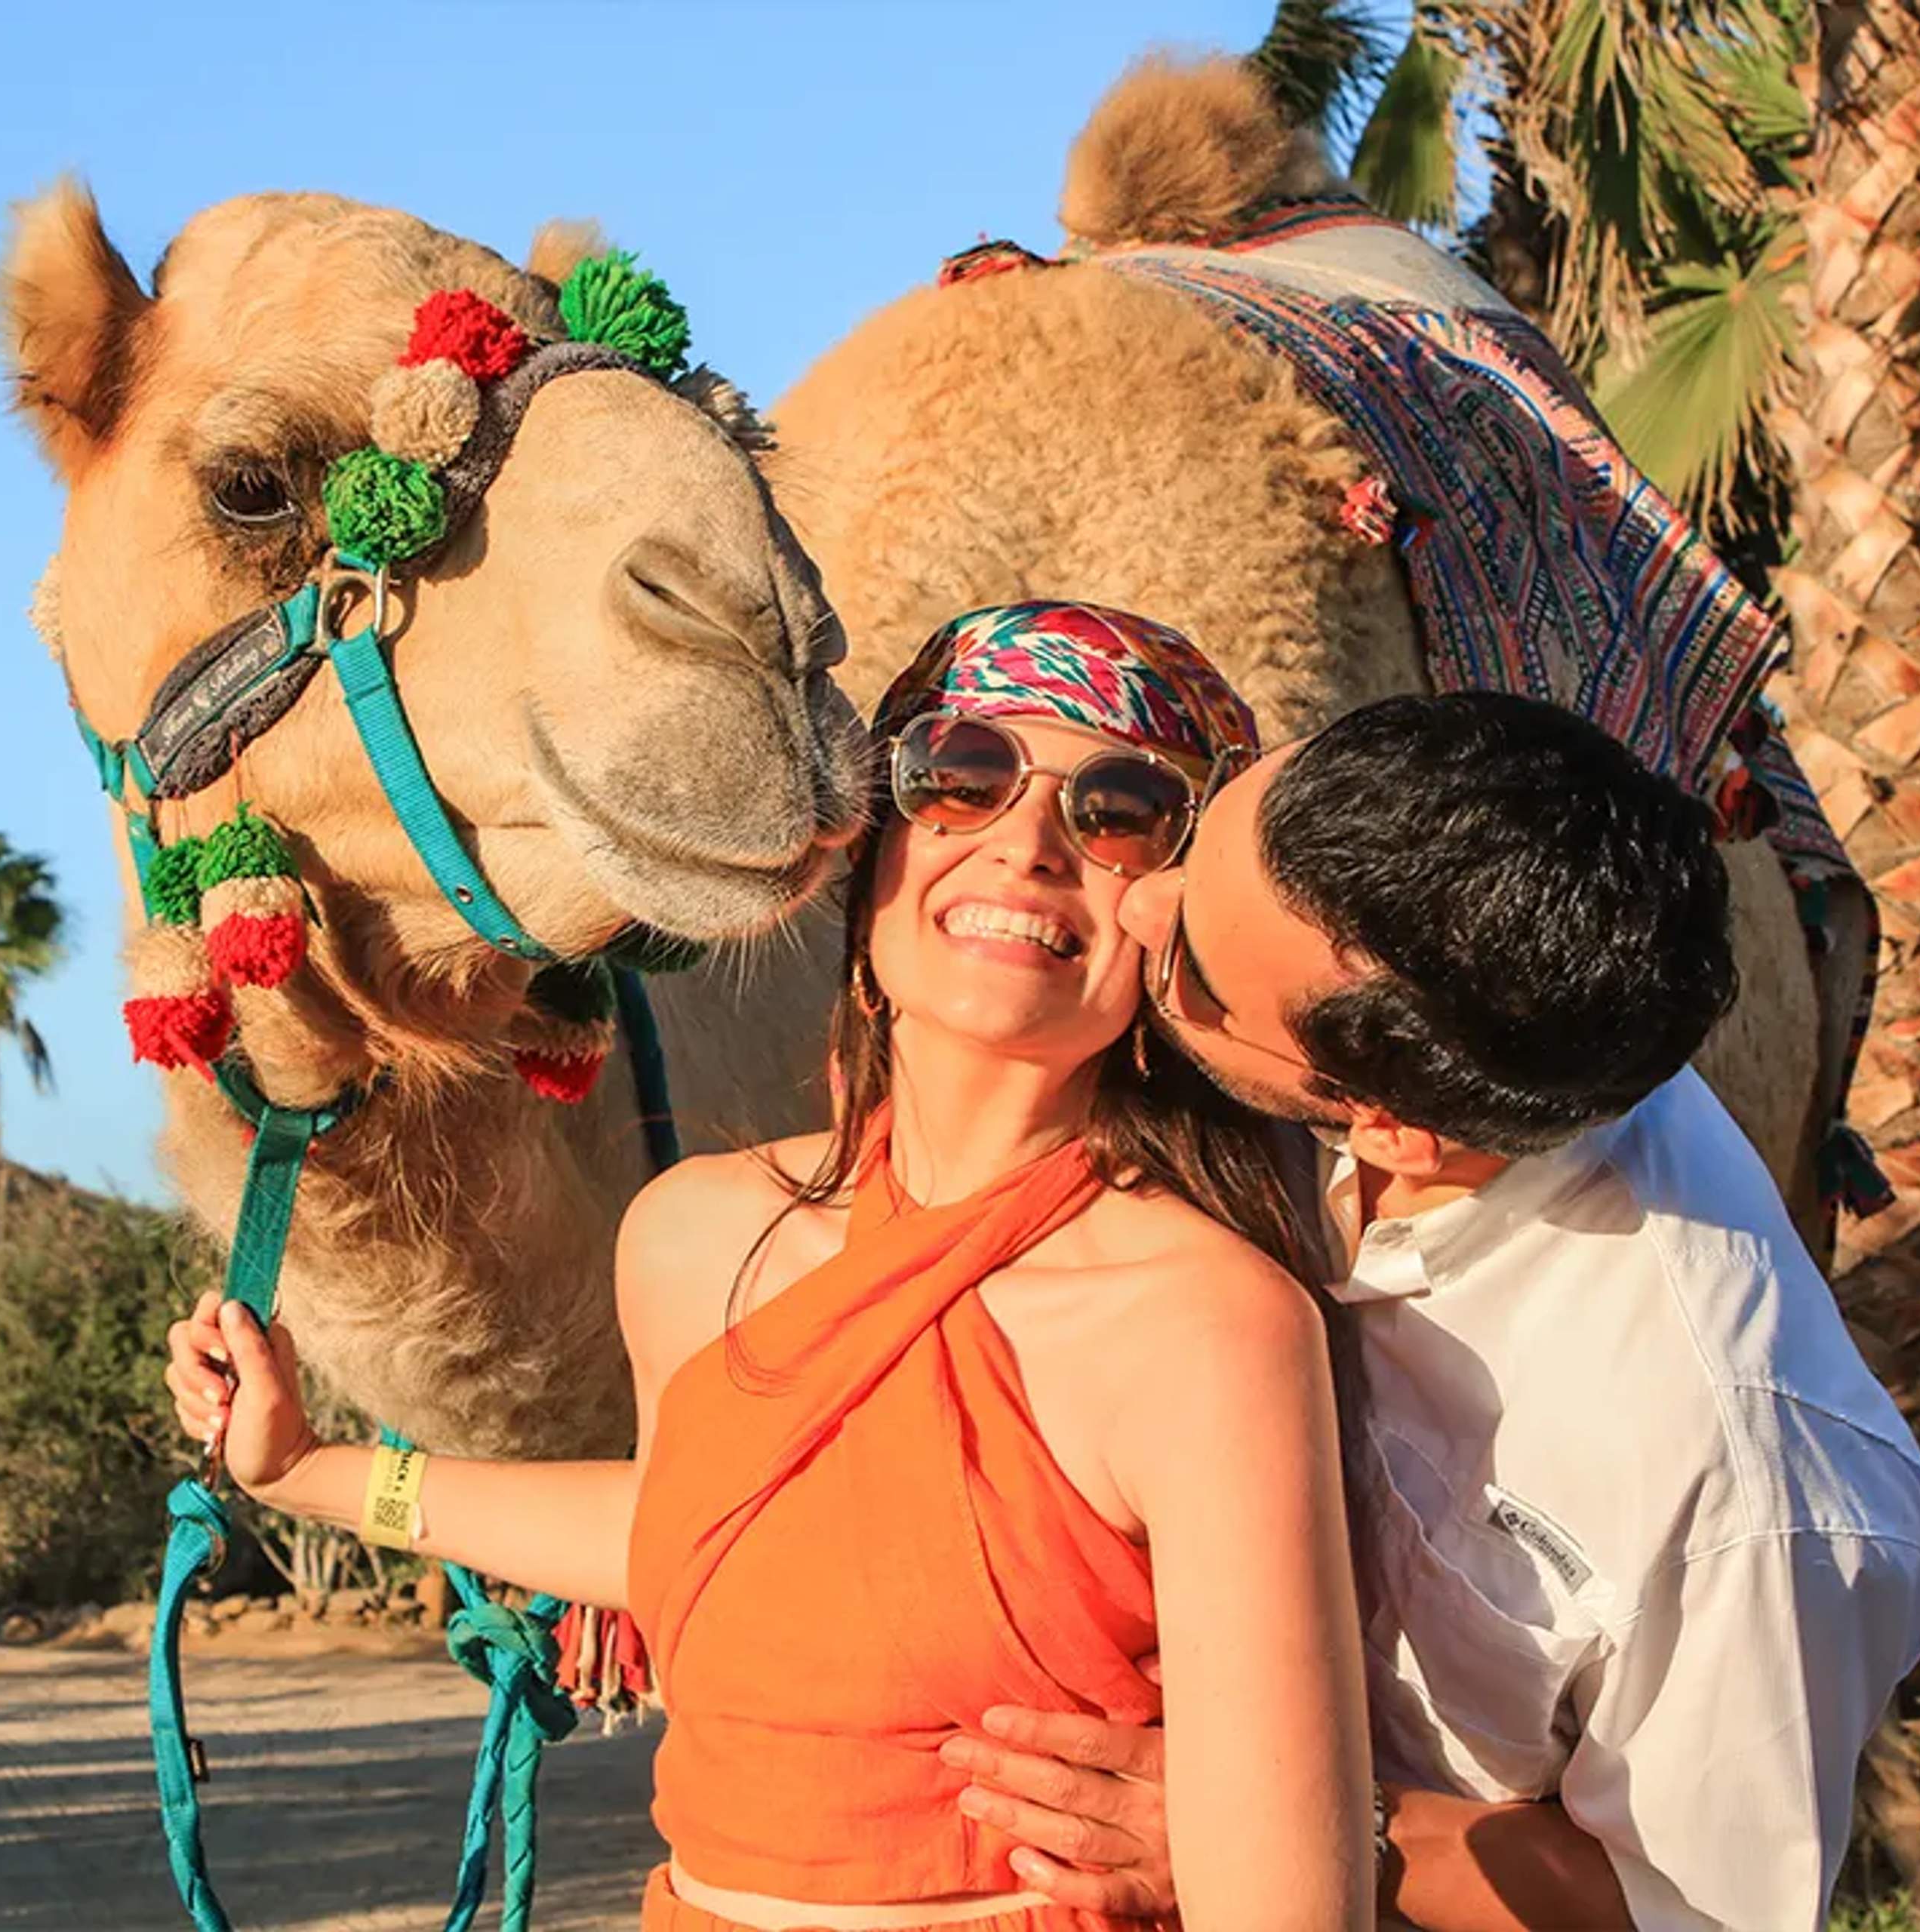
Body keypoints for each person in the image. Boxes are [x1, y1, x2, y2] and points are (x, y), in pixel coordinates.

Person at [171, 601, 1374, 1931]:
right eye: (962, 776)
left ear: (1168, 920)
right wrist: (313, 1474)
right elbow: (693, 1529)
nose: (1027, 844)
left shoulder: (1207, 1322)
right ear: (873, 866)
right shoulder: (697, 1234)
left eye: (1121, 807)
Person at [941, 692, 1920, 1931]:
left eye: (1194, 970)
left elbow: (1691, 1909)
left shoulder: (1743, 1494)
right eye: (1201, 835)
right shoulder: (1424, 1016)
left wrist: (1286, 1819)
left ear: (1387, 1123)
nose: (1141, 903)